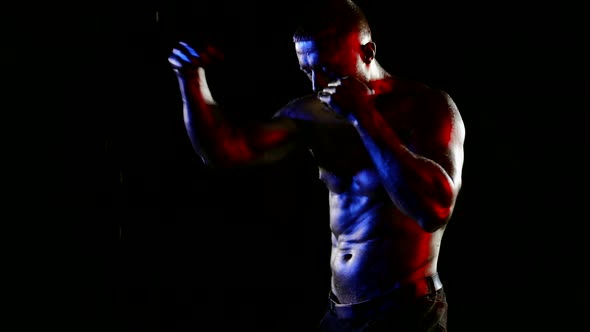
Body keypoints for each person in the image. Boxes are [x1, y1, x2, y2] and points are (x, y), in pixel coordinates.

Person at [168, 0, 465, 330]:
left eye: (329, 70)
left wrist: (365, 118)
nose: (318, 85)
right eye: (308, 71)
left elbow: (433, 209)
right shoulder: (316, 111)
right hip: (340, 313)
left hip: (407, 312)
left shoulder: (426, 107)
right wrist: (190, 78)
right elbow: (225, 151)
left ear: (367, 52)